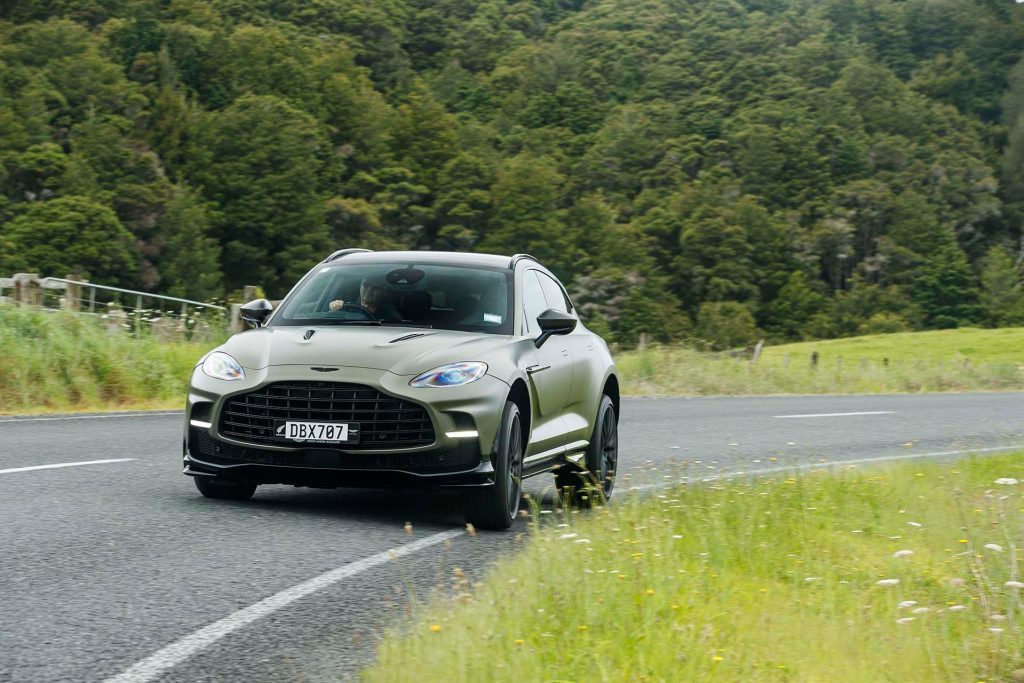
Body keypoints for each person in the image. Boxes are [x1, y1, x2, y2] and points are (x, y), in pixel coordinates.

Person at [329, 275, 401, 320]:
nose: (369, 289)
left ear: (384, 293)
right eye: (366, 285)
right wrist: (333, 311)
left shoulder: (389, 316)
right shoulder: (346, 308)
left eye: (375, 287)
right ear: (360, 287)